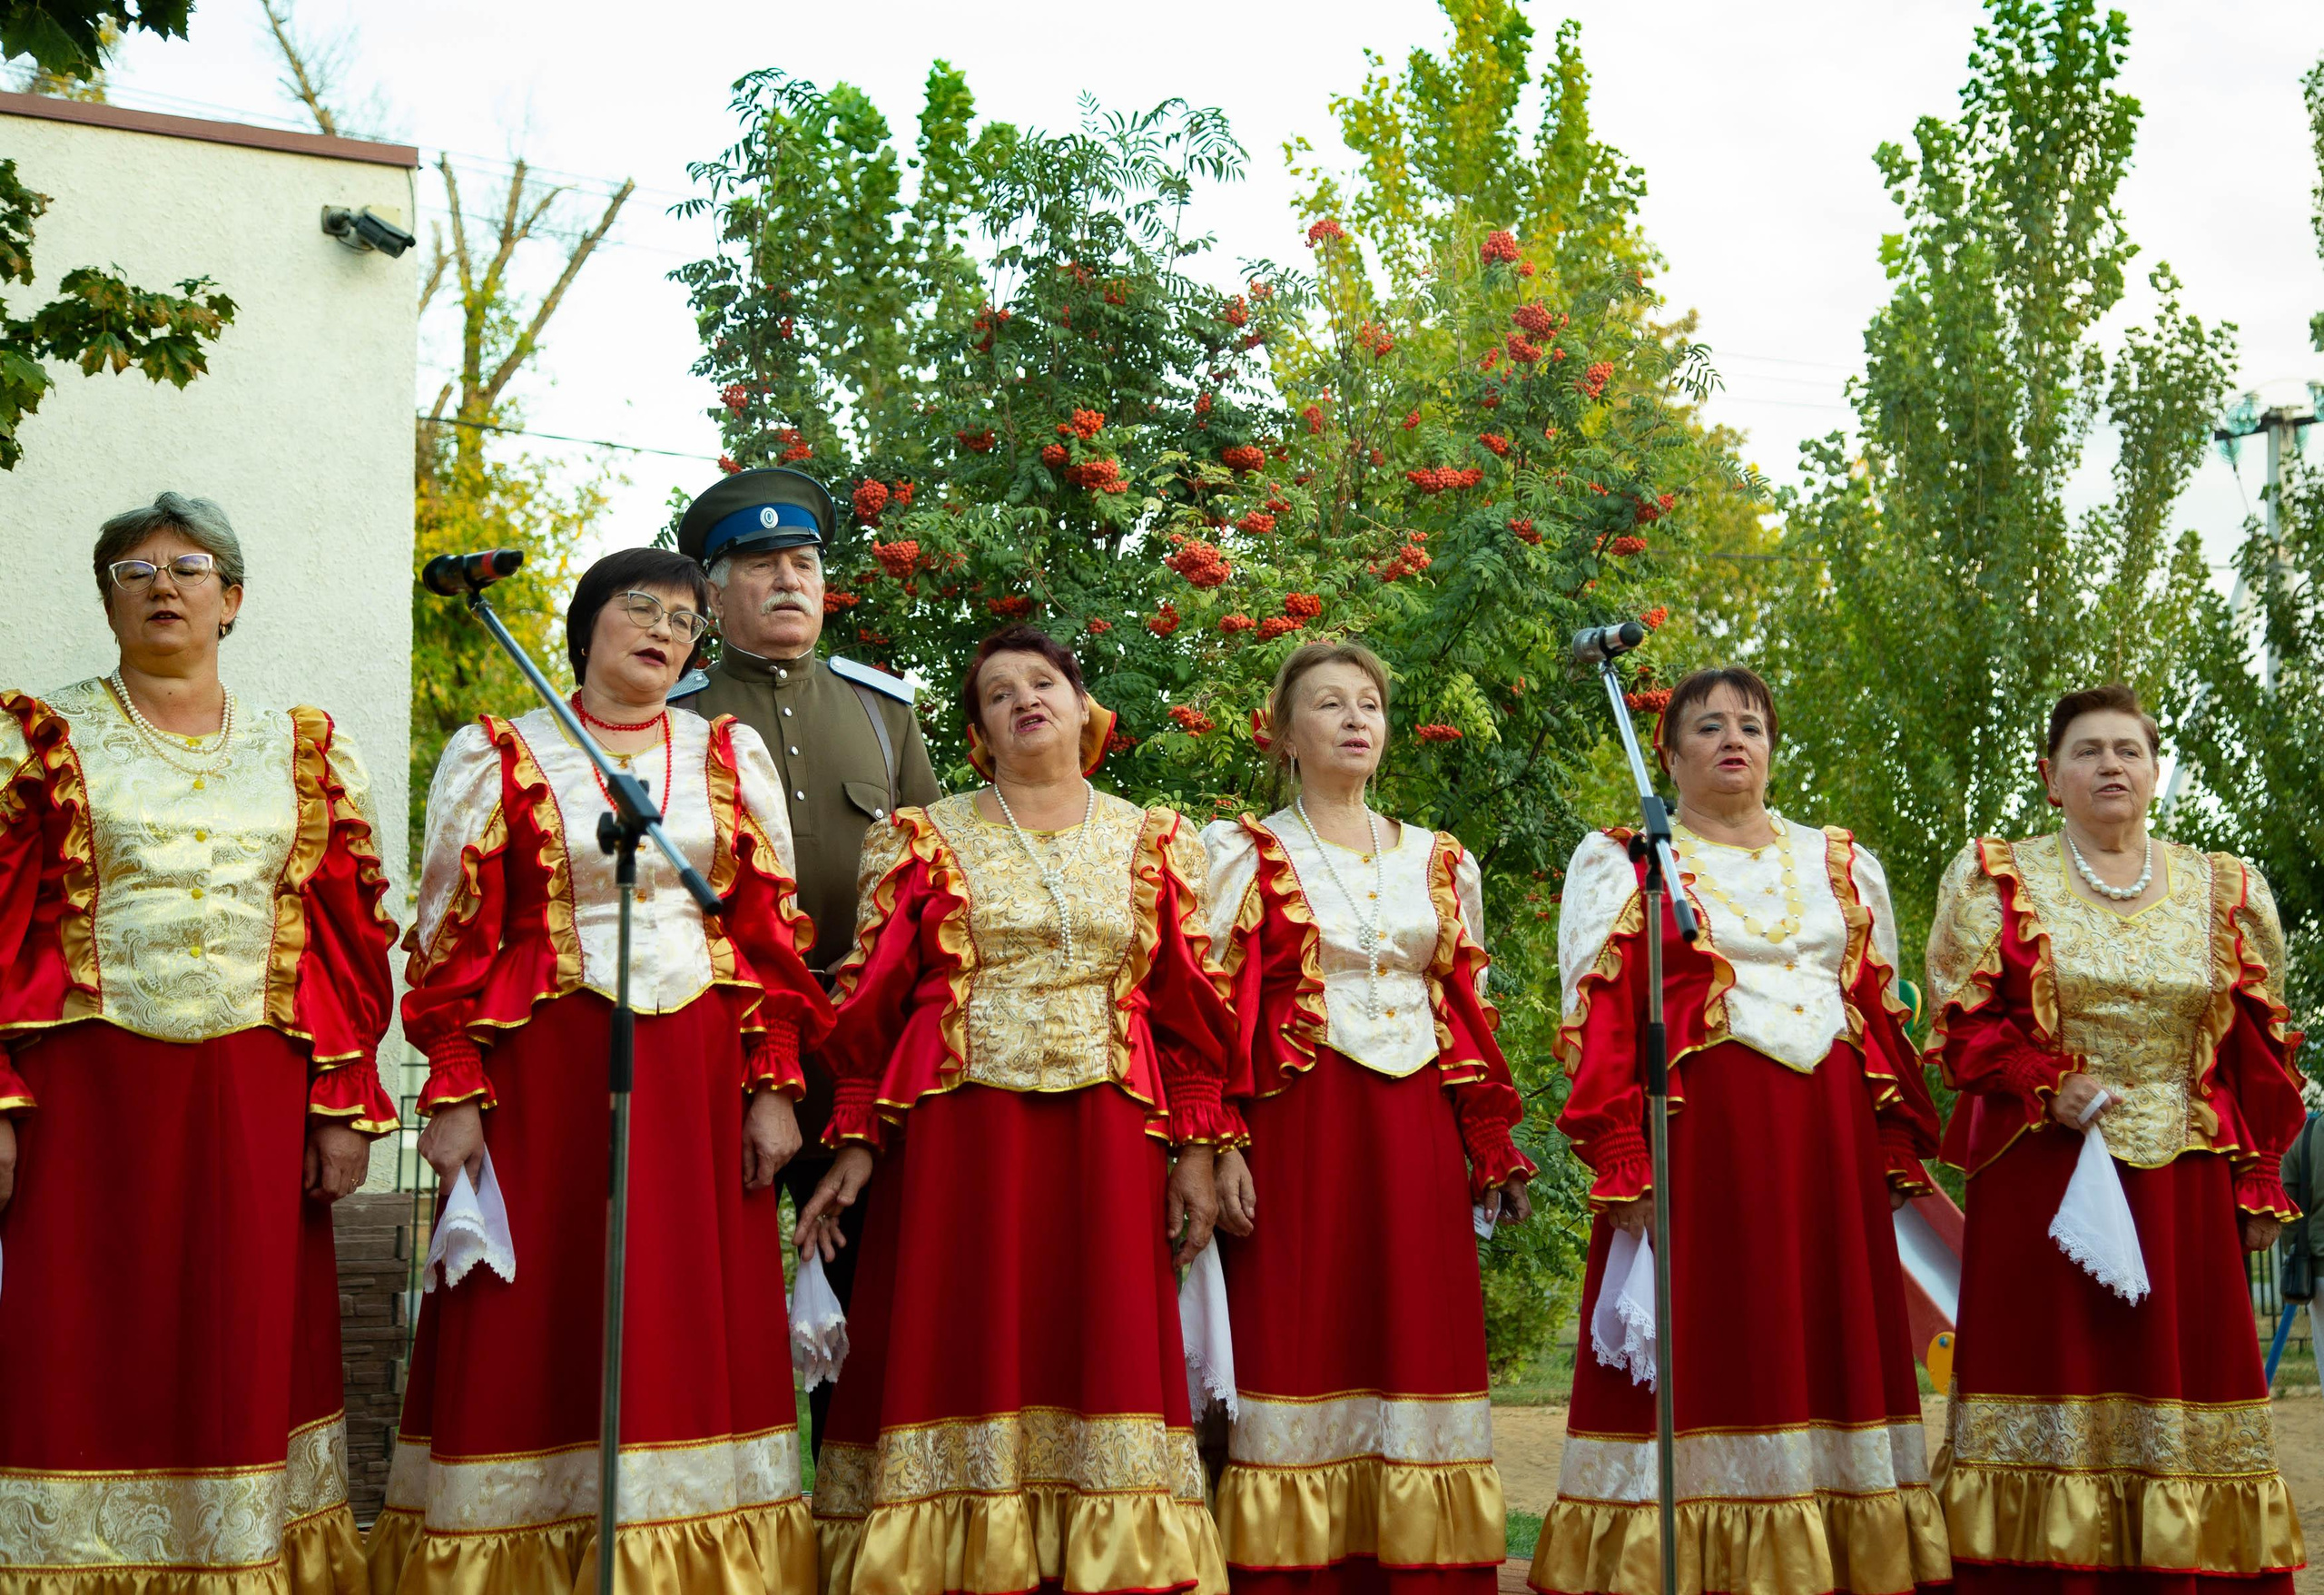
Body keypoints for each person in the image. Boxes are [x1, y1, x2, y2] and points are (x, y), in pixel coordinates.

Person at [369, 547, 832, 1593]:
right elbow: (449, 935)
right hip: (544, 1078)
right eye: (641, 606)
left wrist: (771, 1078)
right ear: (585, 627)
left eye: (685, 617)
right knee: (537, 1311)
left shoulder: (726, 754)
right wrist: (451, 1086)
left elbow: (769, 934)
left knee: (684, 1306)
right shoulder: (498, 751)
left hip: (699, 1071)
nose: (665, 628)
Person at [0, 493, 398, 1592]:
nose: (163, 585)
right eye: (136, 571)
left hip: (252, 1087)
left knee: (238, 1332)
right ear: (109, 598)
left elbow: (342, 939)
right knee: (80, 1329)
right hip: (86, 1091)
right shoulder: (38, 736)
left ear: (232, 600)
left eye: (190, 567)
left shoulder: (304, 747)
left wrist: (340, 1098)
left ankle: (237, 1563)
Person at [793, 624, 1240, 1595]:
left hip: (1113, 1131)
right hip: (960, 1134)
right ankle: (956, 1567)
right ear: (980, 733)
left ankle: (1113, 1569)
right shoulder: (921, 834)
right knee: (962, 1339)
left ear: (1086, 711)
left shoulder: (1155, 836)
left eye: (1044, 683)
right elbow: (873, 995)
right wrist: (858, 1140)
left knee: (1105, 1344)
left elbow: (1190, 1005)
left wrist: (1198, 1149)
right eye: (999, 693)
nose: (1024, 700)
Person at [1531, 665, 1949, 1595]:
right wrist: (1619, 1149)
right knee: (1719, 1346)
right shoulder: (1628, 857)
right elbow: (1597, 1012)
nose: (1733, 739)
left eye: (1751, 726)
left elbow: (1876, 1012)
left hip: (1827, 1142)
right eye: (1709, 725)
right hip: (1701, 1140)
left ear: (1771, 747)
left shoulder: (1840, 858)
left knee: (1826, 1338)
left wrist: (1889, 1135)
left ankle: (1839, 1559)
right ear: (1669, 753)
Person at [1926, 682, 2306, 1590]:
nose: (2109, 765)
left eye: (2127, 750)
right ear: (2050, 777)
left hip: (2184, 1190)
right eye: (2087, 751)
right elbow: (1962, 1025)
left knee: (2179, 1407)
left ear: (2153, 770)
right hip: (2043, 1184)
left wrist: (2257, 1174)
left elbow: (2257, 1047)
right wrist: (2041, 1082)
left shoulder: (2225, 887)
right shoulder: (1995, 877)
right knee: (2051, 1395)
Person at [1200, 640, 1536, 1595]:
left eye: (1369, 704)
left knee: (1415, 1341)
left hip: (1417, 1133)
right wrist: (1217, 1139)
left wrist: (1488, 1137)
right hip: (1299, 1126)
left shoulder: (1440, 857)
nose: (1355, 718)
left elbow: (1465, 1009)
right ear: (1284, 734)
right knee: (1300, 1338)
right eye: (1328, 703)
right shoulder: (1242, 850)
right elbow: (1211, 1011)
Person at [671, 465, 940, 1457]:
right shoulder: (678, 713)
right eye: (760, 565)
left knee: (874, 1287)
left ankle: (857, 1509)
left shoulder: (881, 712)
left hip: (864, 1048)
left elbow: (931, 880)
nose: (789, 580)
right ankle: (721, 1508)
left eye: (804, 563)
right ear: (711, 592)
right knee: (718, 1283)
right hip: (722, 1045)